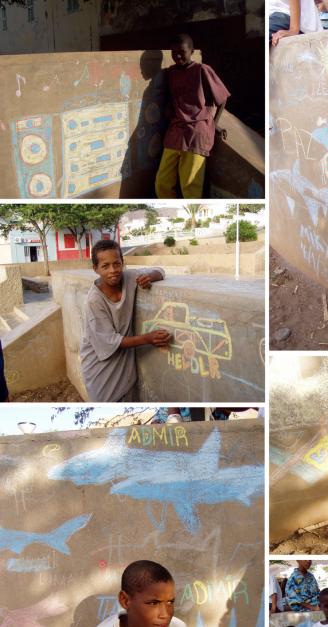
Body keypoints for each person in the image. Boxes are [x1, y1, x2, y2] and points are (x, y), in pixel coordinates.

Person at [80, 240, 171, 402]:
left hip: (124, 367)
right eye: (105, 266)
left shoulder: (129, 278)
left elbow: (160, 271)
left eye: (117, 264)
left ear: (123, 263)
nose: (113, 270)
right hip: (101, 370)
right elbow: (109, 342)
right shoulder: (94, 300)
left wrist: (148, 277)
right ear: (95, 269)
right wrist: (147, 338)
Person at [155, 34, 230, 199]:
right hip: (175, 132)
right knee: (162, 183)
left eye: (182, 52)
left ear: (192, 51)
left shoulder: (202, 70)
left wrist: (213, 124)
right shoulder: (171, 73)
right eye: (174, 53)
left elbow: (222, 99)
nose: (178, 56)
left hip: (196, 133)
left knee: (189, 185)